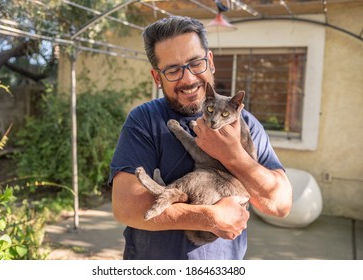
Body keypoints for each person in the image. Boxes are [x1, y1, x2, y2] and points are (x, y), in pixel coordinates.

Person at [109, 16, 292, 260]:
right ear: (157, 77)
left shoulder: (245, 122)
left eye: (196, 63)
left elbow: (279, 205)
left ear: (211, 61)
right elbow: (126, 207)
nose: (188, 79)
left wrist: (233, 156)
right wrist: (209, 216)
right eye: (173, 70)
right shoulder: (144, 121)